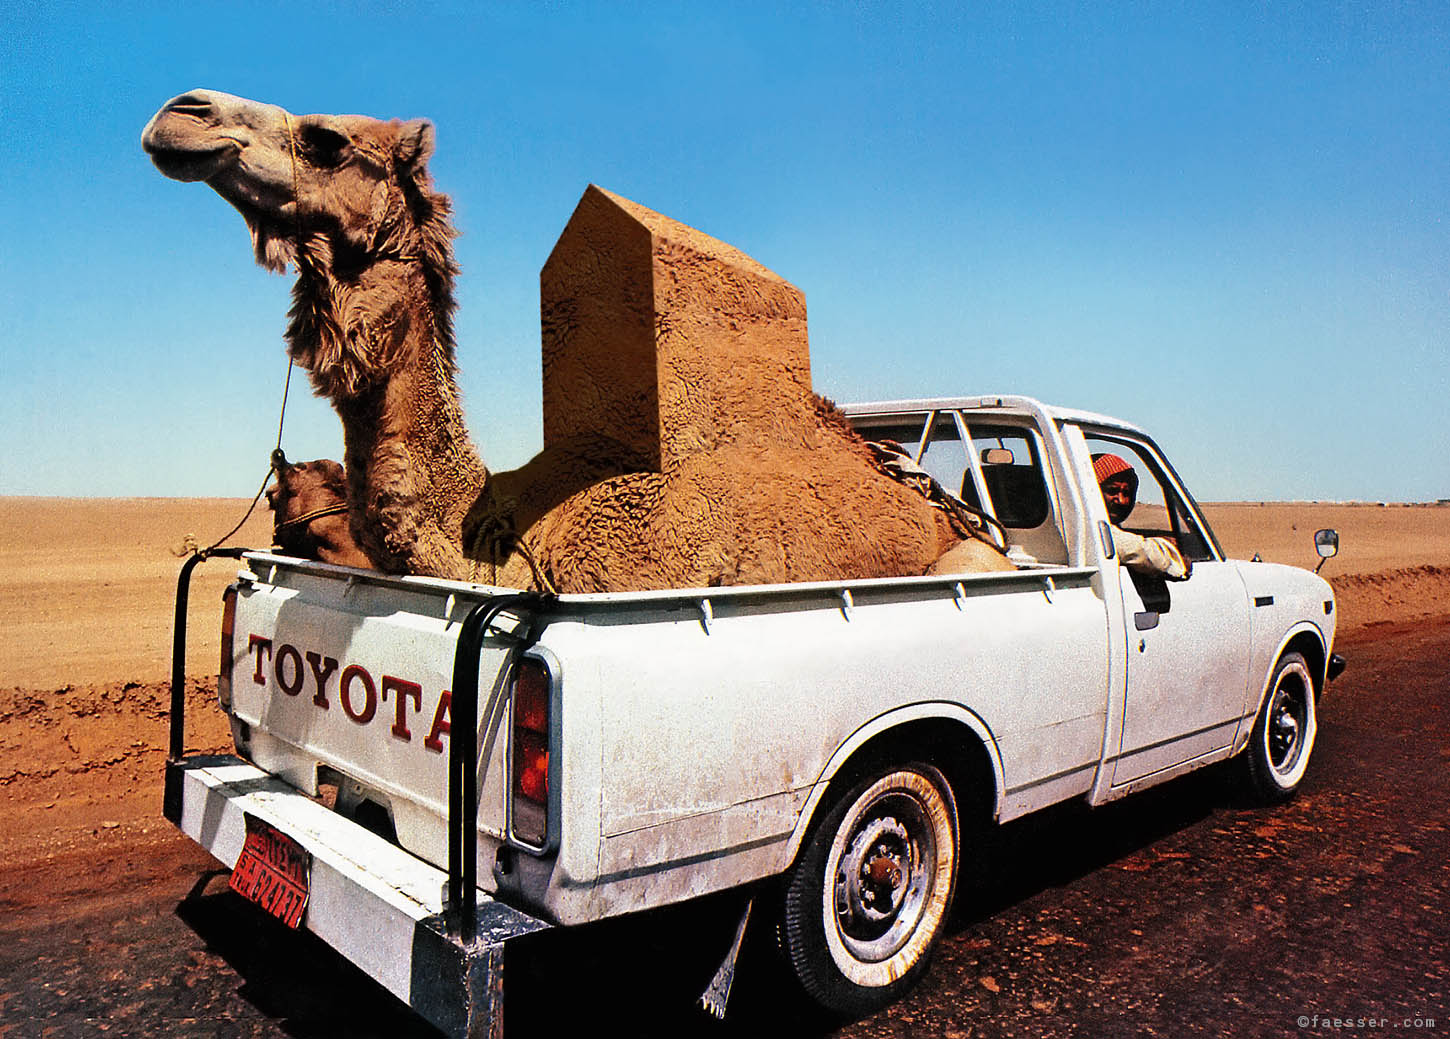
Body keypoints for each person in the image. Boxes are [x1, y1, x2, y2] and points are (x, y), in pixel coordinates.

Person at [1092, 453, 1191, 580]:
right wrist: (1171, 555)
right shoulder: (1089, 528)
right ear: (1093, 490)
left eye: (1127, 493)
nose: (1121, 500)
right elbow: (1131, 548)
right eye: (1112, 491)